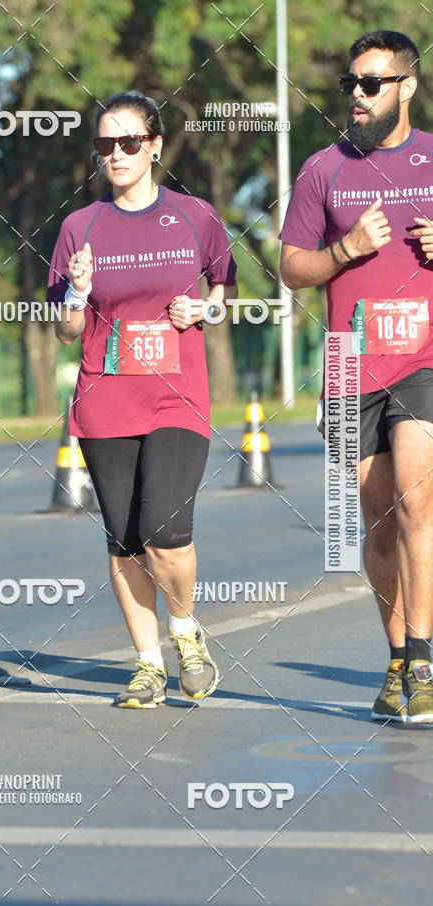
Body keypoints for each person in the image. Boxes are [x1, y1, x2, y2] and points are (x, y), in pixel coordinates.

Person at [47, 90, 237, 708]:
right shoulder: (81, 227)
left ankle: (185, 629)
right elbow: (66, 329)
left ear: (155, 147)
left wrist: (202, 308)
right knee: (124, 539)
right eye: (106, 144)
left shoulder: (195, 217)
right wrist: (76, 293)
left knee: (166, 532)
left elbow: (223, 293)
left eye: (130, 142)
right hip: (105, 399)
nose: (117, 154)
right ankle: (148, 664)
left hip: (177, 397)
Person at [280, 31, 433, 724]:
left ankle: (423, 658)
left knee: (416, 499)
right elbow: (291, 268)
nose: (358, 97)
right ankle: (397, 656)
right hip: (349, 366)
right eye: (352, 85)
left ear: (408, 85)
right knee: (378, 526)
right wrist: (345, 249)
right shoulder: (322, 170)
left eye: (372, 83)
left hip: (424, 358)